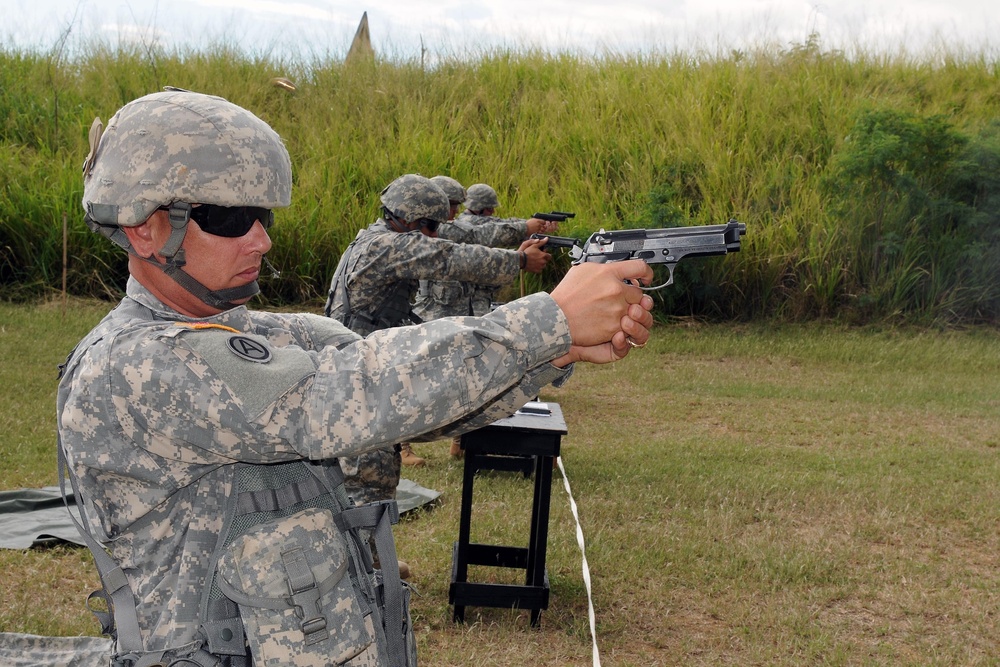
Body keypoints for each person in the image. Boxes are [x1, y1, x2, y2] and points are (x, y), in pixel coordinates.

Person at [57, 89, 654, 667]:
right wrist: (545, 320)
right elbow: (341, 395)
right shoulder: (131, 367)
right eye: (231, 218)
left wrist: (556, 349)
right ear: (144, 228)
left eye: (261, 215)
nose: (261, 237)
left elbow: (404, 396)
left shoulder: (247, 330)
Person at [325, 174, 551, 474]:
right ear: (407, 219)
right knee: (369, 468)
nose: (434, 235)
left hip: (356, 358)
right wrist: (519, 261)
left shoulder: (370, 238)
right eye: (431, 226)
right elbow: (451, 258)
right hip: (358, 367)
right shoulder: (389, 246)